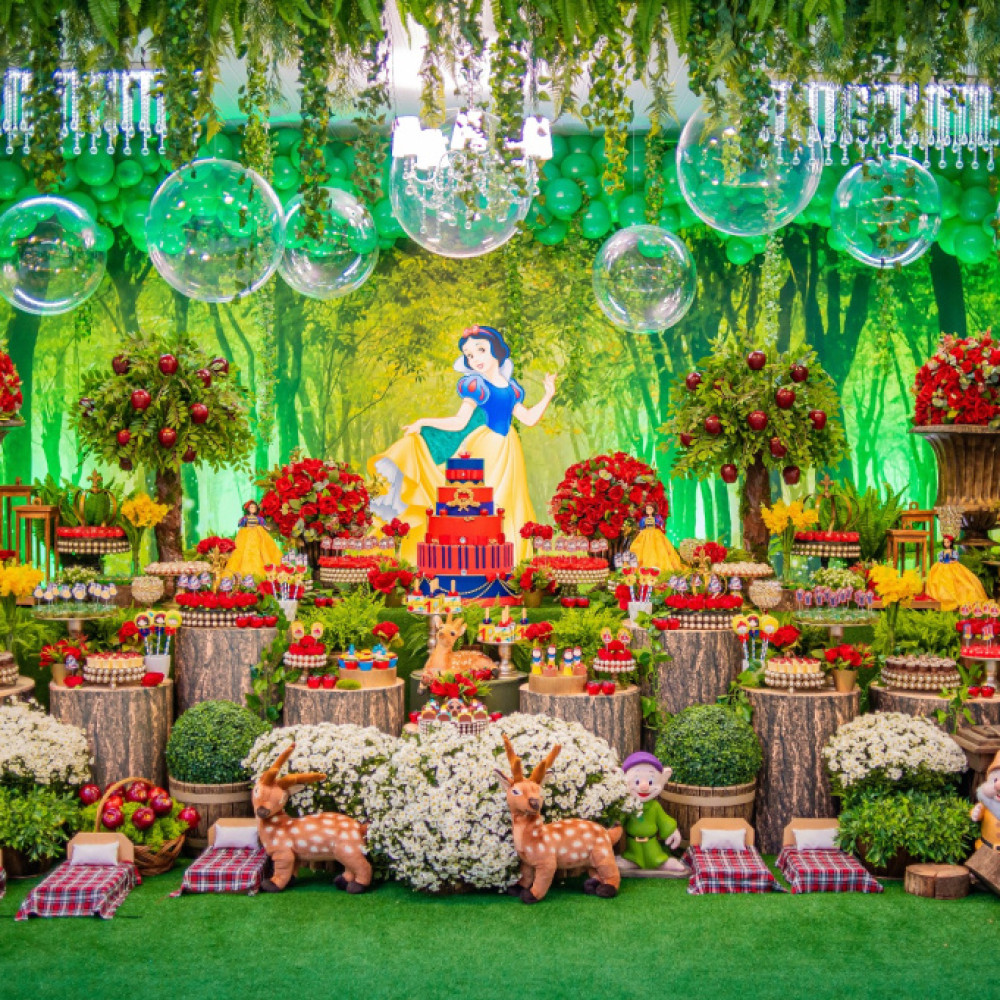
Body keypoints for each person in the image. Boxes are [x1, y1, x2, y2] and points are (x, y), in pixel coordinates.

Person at [369, 325, 555, 563]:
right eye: (469, 355)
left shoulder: (512, 389)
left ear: (496, 351)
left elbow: (528, 418)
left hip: (509, 450)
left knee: (509, 502)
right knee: (481, 503)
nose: (475, 358)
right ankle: (474, 561)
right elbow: (459, 422)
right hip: (485, 448)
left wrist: (548, 395)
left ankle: (509, 562)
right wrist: (424, 422)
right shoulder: (476, 386)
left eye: (481, 350)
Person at [925, 534, 987, 611]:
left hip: (953, 567)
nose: (946, 544)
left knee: (960, 580)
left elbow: (955, 559)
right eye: (945, 542)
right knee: (939, 580)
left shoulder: (954, 552)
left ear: (951, 543)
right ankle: (942, 599)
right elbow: (940, 559)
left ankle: (957, 600)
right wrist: (942, 562)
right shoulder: (942, 552)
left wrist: (951, 561)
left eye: (947, 542)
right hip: (942, 567)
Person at [224, 500, 284, 580]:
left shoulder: (258, 518)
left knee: (262, 549)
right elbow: (241, 525)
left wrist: (267, 528)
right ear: (248, 509)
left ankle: (263, 569)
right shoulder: (245, 518)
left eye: (254, 507)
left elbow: (263, 524)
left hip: (257, 533)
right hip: (247, 534)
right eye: (251, 507)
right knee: (243, 550)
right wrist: (241, 524)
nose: (253, 509)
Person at [629, 502, 683, 571]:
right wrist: (641, 531)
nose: (649, 510)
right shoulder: (644, 519)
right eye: (647, 509)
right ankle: (643, 567)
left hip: (655, 533)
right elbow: (641, 526)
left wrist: (661, 527)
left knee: (658, 547)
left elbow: (661, 524)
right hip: (645, 534)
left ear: (653, 510)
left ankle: (657, 566)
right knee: (643, 548)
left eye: (650, 509)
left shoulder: (657, 518)